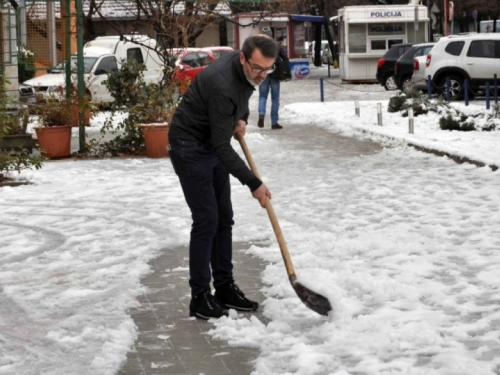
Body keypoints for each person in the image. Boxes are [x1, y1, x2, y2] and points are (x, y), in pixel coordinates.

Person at [168, 34, 279, 320]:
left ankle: (225, 287)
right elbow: (221, 145)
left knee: (224, 218)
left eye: (268, 69)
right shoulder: (221, 84)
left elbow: (243, 96)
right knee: (206, 220)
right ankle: (200, 296)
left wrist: (241, 116)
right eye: (257, 68)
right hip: (189, 146)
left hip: (210, 142)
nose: (262, 75)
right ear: (242, 58)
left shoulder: (247, 71)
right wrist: (254, 183)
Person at [257, 28, 290, 130]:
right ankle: (274, 122)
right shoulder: (277, 44)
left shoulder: (258, 46)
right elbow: (285, 58)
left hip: (263, 72)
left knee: (262, 96)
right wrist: (285, 71)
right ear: (271, 35)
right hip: (275, 74)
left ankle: (261, 114)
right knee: (275, 99)